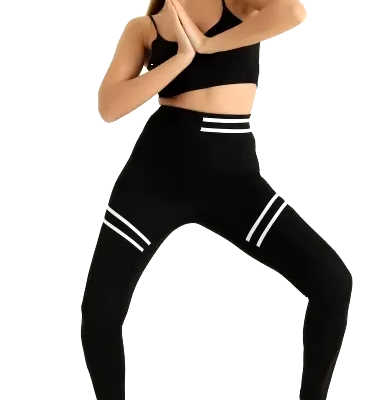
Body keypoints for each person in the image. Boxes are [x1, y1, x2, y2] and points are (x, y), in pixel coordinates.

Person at [80, 1, 352, 399]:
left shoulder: (238, 3)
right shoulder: (144, 28)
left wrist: (208, 45)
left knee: (333, 282)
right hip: (155, 174)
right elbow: (109, 106)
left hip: (233, 180)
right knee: (99, 312)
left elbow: (293, 12)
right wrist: (180, 58)